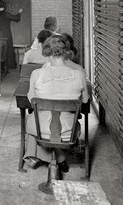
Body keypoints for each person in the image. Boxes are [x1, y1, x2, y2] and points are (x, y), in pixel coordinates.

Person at [24, 35, 89, 171]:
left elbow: (32, 100)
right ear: (67, 51)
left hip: (40, 130)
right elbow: (85, 100)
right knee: (68, 121)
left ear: (46, 52)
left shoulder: (37, 74)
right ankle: (59, 159)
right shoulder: (79, 74)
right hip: (67, 131)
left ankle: (42, 157)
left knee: (32, 119)